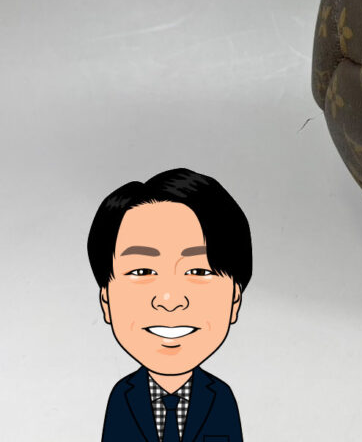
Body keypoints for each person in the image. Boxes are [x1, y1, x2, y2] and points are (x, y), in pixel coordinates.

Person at [87, 168, 251, 441]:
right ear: (106, 299)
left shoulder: (221, 397)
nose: (170, 300)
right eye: (142, 271)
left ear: (235, 298)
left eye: (198, 271)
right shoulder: (122, 396)